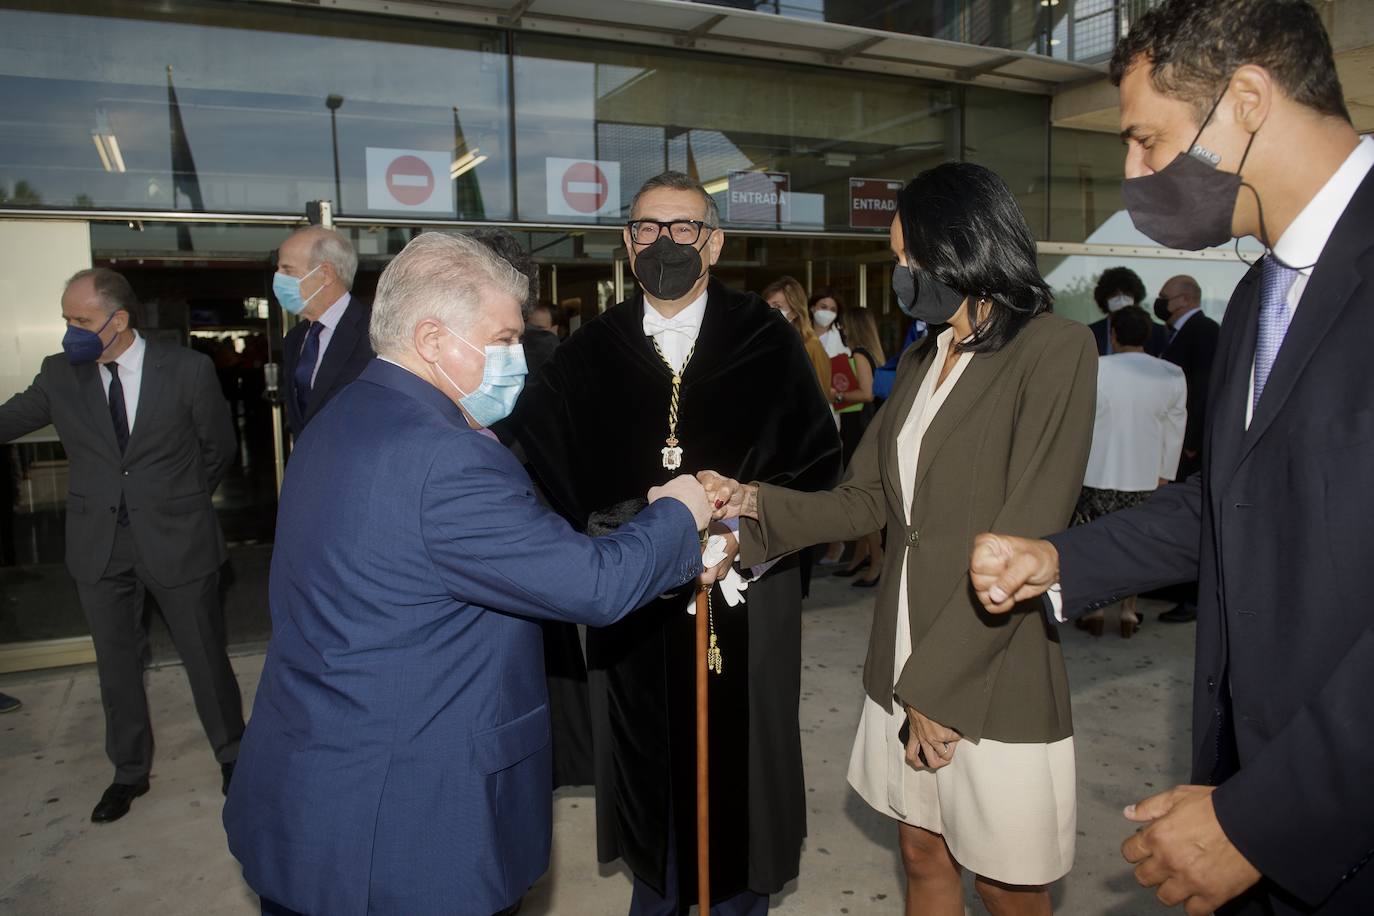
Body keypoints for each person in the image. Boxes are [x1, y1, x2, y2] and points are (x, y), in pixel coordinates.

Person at [969, 1, 1374, 913]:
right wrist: (1060, 558)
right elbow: (1228, 502)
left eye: (1146, 141)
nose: (1132, 172)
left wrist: (1267, 818)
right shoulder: (1265, 290)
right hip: (1243, 803)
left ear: (1247, 100)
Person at [223, 232, 714, 916]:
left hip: (313, 789)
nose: (516, 357)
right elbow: (594, 587)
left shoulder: (345, 416)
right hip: (405, 828)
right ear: (431, 338)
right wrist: (681, 512)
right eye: (504, 338)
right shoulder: (446, 458)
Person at [703, 161, 1097, 916]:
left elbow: (1026, 531)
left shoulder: (1055, 350)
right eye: (898, 260)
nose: (901, 274)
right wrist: (750, 500)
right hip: (903, 646)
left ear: (965, 246)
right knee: (921, 850)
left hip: (989, 655)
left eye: (908, 258)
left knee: (1010, 881)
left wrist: (937, 691)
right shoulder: (922, 357)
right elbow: (867, 499)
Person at [513, 171, 841, 916]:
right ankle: (657, 891)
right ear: (628, 244)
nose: (667, 243)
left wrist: (740, 527)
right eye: (649, 229)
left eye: (684, 228)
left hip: (747, 596)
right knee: (649, 781)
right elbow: (552, 471)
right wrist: (630, 529)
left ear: (715, 242)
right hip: (632, 600)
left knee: (742, 786)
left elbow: (818, 463)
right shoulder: (586, 353)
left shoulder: (767, 341)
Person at [0, 267, 241, 822]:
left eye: (80, 320)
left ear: (119, 321)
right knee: (116, 666)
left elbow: (218, 450)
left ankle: (234, 756)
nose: (69, 331)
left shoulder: (186, 369)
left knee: (204, 656)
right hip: (98, 546)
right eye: (66, 319)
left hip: (177, 541)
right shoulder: (60, 374)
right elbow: (12, 416)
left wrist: (175, 503)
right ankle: (128, 773)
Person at [1071, 305, 1186, 638]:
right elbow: (1175, 428)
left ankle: (1096, 609)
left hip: (1096, 473)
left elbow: (1079, 423)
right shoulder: (1171, 373)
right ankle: (1129, 612)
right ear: (1148, 335)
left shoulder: (1095, 368)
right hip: (1146, 476)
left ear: (1113, 334)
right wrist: (1165, 473)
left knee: (1094, 544)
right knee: (1134, 547)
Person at [1152, 273, 1222, 624]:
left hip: (1189, 448)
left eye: (1164, 295)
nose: (1159, 300)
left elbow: (1205, 388)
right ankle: (1177, 589)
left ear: (1183, 299)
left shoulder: (1204, 331)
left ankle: (1194, 598)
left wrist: (1192, 442)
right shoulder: (1176, 334)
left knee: (1192, 520)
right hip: (1176, 443)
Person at [276, 227, 374, 437]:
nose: (278, 277)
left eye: (288, 270)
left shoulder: (376, 333)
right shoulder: (294, 339)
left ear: (326, 274)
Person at [829, 307, 885, 588]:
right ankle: (860, 557)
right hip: (858, 427)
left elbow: (866, 392)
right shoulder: (866, 353)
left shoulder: (861, 355)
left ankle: (877, 561)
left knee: (862, 496)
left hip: (860, 429)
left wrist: (836, 394)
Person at [762, 275, 831, 394]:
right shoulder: (763, 341)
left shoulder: (810, 345)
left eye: (777, 306)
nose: (769, 311)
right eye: (766, 306)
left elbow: (821, 392)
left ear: (794, 312)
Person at [1088, 266, 1170, 357]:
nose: (1121, 299)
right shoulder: (1091, 332)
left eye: (1127, 294)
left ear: (1136, 297)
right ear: (1104, 298)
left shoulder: (1157, 332)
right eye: (1114, 295)